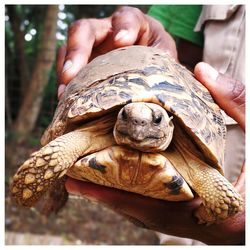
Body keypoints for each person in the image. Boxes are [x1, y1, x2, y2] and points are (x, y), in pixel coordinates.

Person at [56, 6, 245, 245]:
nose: (138, 125)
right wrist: (148, 51)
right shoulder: (94, 133)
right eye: (127, 117)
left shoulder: (192, 159)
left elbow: (224, 204)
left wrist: (215, 217)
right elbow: (187, 60)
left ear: (169, 124)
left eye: (154, 121)